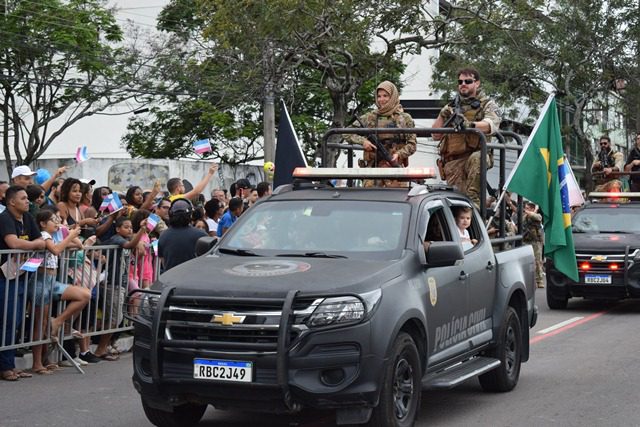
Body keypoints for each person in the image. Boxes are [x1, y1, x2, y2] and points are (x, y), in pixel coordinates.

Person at [432, 67, 501, 207]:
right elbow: (435, 135)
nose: (463, 84)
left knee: (471, 200)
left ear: (477, 83)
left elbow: (491, 125)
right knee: (457, 206)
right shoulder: (451, 106)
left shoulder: (487, 104)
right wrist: (442, 115)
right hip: (453, 163)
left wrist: (470, 125)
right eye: (460, 81)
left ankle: (475, 205)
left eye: (468, 81)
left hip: (475, 157)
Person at [32, 209, 90, 372]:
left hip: (53, 281)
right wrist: (70, 236)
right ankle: (38, 362)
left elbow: (79, 245)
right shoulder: (43, 235)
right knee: (40, 323)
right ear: (43, 224)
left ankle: (57, 321)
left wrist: (70, 234)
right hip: (40, 281)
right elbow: (56, 250)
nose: (57, 222)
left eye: (57, 219)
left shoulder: (55, 236)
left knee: (84, 294)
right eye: (53, 220)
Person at [0, 185, 45, 381]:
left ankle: (9, 364)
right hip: (4, 278)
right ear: (11, 202)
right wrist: (35, 244)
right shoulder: (4, 219)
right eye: (24, 198)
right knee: (7, 321)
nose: (28, 201)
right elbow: (14, 243)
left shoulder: (27, 218)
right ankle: (5, 367)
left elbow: (41, 239)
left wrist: (37, 243)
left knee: (17, 320)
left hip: (22, 275)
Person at [346, 80, 417, 187]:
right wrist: (363, 141)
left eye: (385, 96)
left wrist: (398, 154)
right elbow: (346, 133)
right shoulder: (370, 117)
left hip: (395, 173)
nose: (381, 100)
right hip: (372, 172)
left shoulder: (405, 118)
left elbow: (412, 145)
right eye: (379, 96)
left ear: (392, 97)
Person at [158, 199, 208, 272]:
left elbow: (164, 262)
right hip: (195, 279)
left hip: (170, 279)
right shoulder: (201, 235)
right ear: (191, 214)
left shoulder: (163, 236)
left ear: (171, 213)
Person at [522, 201, 545, 288]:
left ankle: (539, 280)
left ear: (532, 209)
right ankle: (529, 280)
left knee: (537, 261)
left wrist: (530, 212)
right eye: (525, 208)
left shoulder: (536, 216)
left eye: (528, 208)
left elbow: (539, 218)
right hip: (526, 241)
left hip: (536, 241)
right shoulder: (524, 217)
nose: (525, 210)